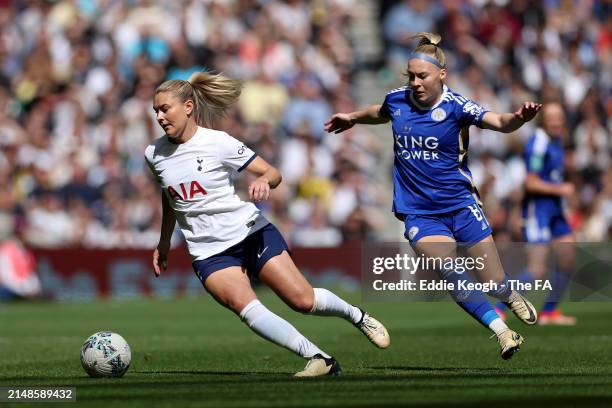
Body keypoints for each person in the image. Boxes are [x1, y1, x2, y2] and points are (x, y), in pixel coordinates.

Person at [144, 72, 390, 378]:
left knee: (302, 300)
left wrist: (262, 180)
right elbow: (171, 198)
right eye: (156, 110)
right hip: (208, 251)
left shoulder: (217, 142)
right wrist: (164, 242)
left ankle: (357, 315)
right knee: (245, 307)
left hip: (249, 231)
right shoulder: (153, 154)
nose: (159, 116)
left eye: (165, 108)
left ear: (189, 107)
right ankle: (319, 358)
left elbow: (273, 173)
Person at [325, 32, 542, 360]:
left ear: (441, 75)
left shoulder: (456, 106)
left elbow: (498, 121)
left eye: (422, 76)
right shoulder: (397, 100)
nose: (415, 82)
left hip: (460, 205)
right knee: (450, 268)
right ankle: (502, 332)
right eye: (411, 76)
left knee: (494, 280)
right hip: (419, 213)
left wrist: (519, 119)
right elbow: (379, 111)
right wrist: (352, 118)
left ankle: (508, 294)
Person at [495, 102, 577, 325]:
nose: (556, 121)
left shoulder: (557, 140)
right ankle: (500, 307)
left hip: (555, 209)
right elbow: (530, 183)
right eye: (551, 117)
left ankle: (549, 312)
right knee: (537, 269)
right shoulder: (539, 142)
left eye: (558, 117)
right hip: (538, 210)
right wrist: (562, 189)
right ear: (543, 120)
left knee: (568, 257)